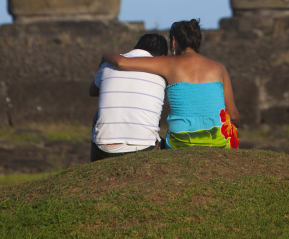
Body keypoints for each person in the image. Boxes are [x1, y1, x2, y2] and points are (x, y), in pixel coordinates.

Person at [102, 19, 240, 149]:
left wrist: (105, 55)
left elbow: (122, 62)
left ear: (174, 41)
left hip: (181, 141)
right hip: (218, 140)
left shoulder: (168, 64)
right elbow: (233, 115)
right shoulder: (219, 68)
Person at [89, 32, 168, 161]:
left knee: (98, 116)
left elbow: (92, 91)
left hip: (105, 150)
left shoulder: (110, 63)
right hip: (145, 148)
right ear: (163, 56)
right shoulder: (162, 72)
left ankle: (93, 165)